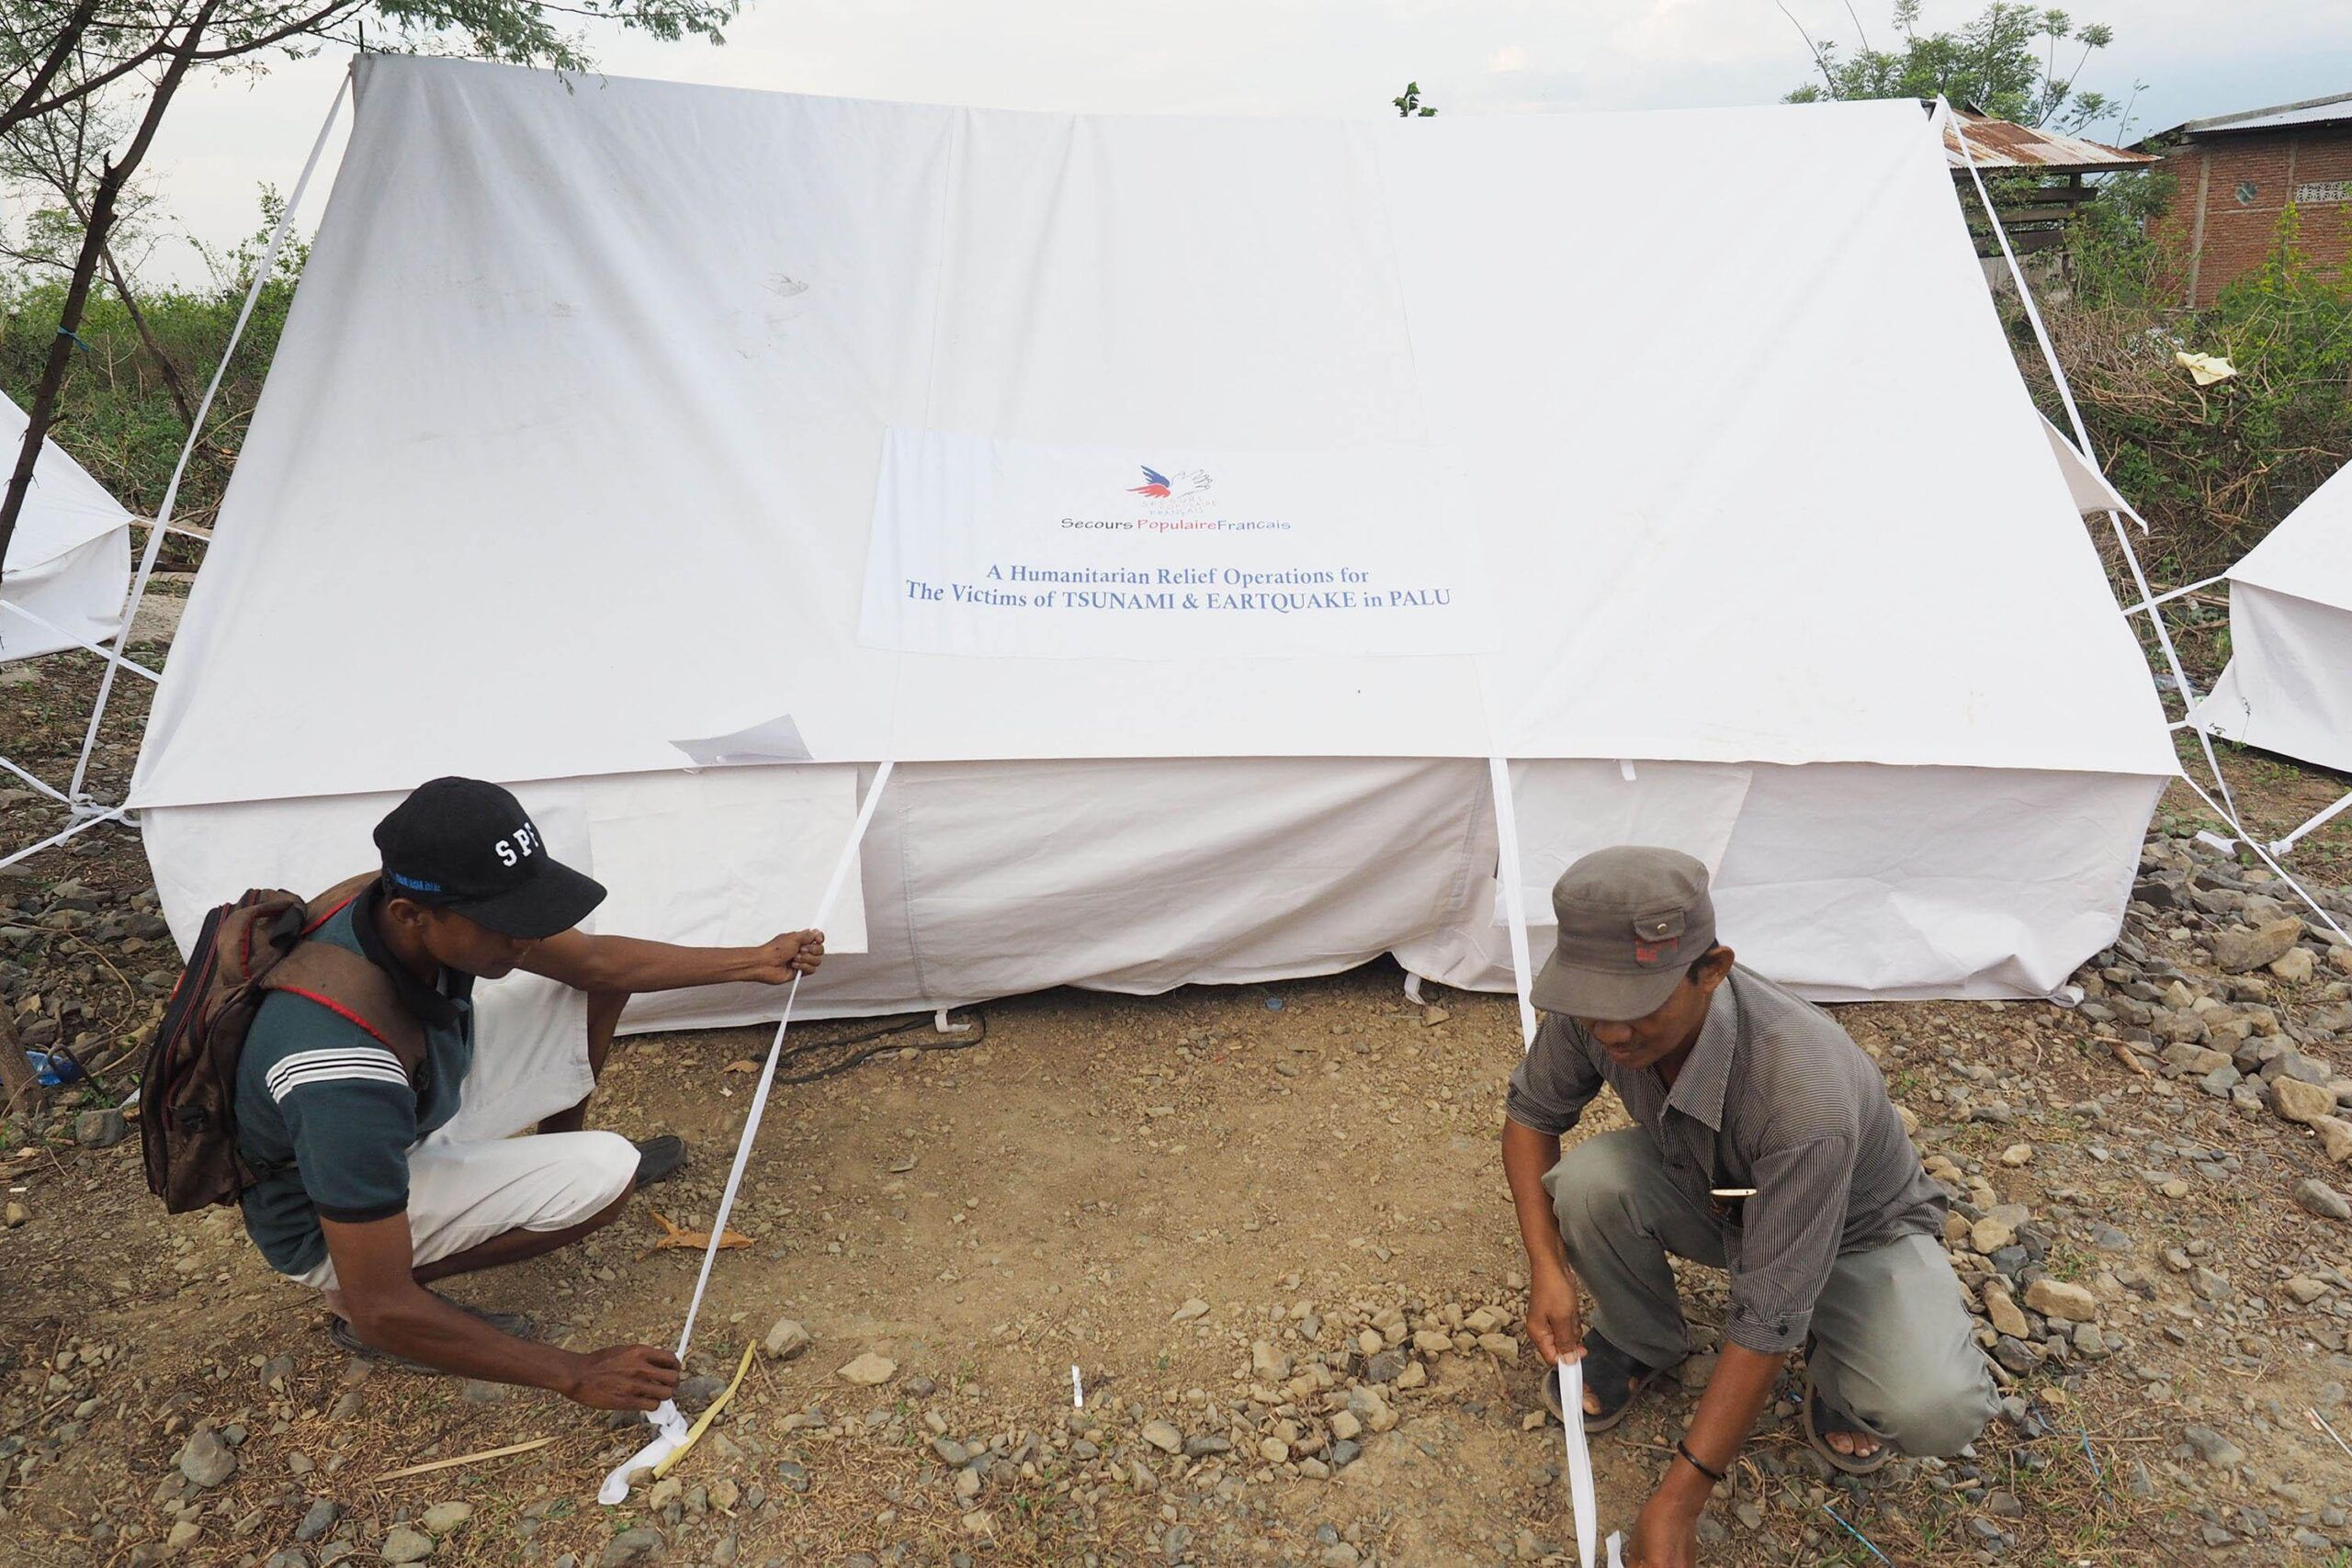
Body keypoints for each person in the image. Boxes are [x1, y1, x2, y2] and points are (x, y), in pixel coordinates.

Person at [233, 776, 825, 1409]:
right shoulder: (338, 1068)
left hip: (406, 1099)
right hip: (324, 1220)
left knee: (586, 984)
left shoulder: (392, 901)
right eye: (506, 923)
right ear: (412, 916)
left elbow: (598, 964)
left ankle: (547, 1164)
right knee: (606, 1172)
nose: (525, 937)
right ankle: (348, 1292)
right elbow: (384, 1307)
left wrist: (754, 960)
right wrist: (574, 1372)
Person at [1500, 847, 1997, 1567]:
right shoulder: (1598, 1009)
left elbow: (1766, 1317)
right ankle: (1643, 1340)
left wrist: (1676, 1502)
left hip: (1859, 1231)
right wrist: (1548, 1265)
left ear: (1712, 970)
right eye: (1592, 1002)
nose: (1610, 1031)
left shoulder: (1804, 1092)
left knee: (1935, 1407)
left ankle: (1840, 1368)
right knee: (1588, 1180)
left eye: (1637, 1005)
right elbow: (1530, 1117)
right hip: (1722, 1191)